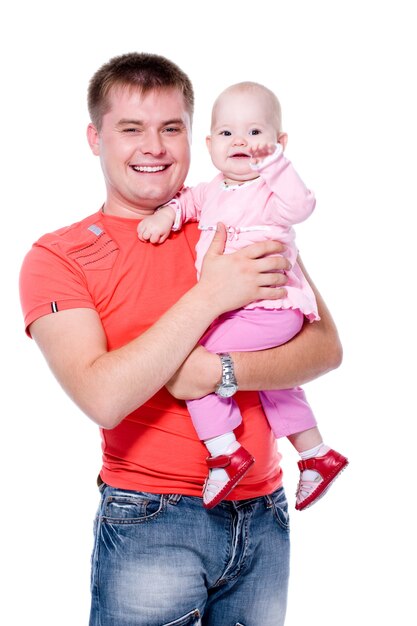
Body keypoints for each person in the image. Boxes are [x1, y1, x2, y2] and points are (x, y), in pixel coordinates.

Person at [19, 52, 343, 626]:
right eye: (131, 129)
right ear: (95, 138)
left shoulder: (240, 210)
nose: (155, 147)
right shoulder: (58, 257)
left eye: (171, 128)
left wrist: (219, 373)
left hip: (263, 513)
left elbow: (324, 348)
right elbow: (103, 396)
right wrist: (211, 294)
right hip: (151, 519)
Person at [138, 81, 348, 511]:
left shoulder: (271, 191)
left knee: (197, 364)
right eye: (229, 133)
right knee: (274, 381)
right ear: (211, 143)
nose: (242, 142)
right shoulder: (212, 188)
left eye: (255, 133)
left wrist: (276, 167)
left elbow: (302, 206)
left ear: (279, 143)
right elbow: (187, 203)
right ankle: (315, 454)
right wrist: (165, 215)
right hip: (245, 311)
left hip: (269, 307)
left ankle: (224, 451)